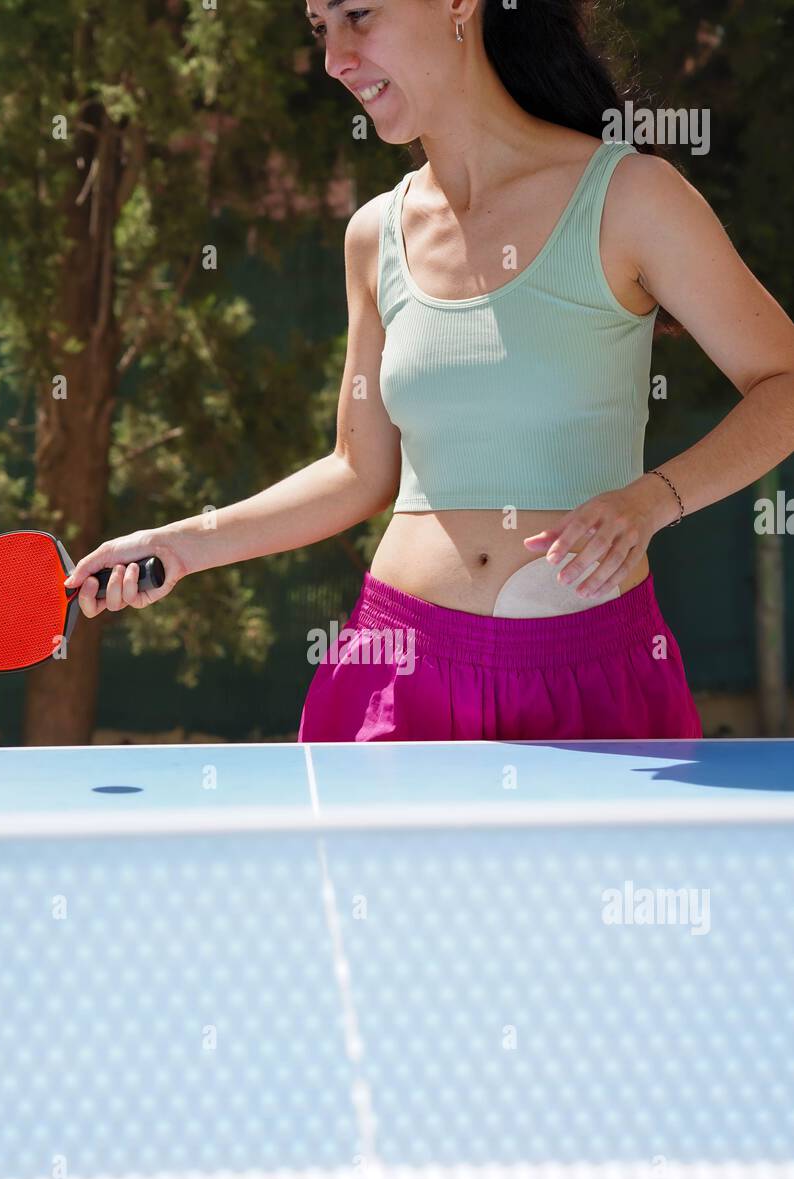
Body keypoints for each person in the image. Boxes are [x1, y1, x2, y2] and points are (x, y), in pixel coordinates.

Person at [68, 1, 794, 742]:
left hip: (593, 679)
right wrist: (181, 544)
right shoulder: (374, 234)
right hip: (390, 676)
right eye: (321, 29)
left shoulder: (632, 197)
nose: (335, 58)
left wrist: (652, 501)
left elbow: (785, 385)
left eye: (357, 14)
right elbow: (358, 472)